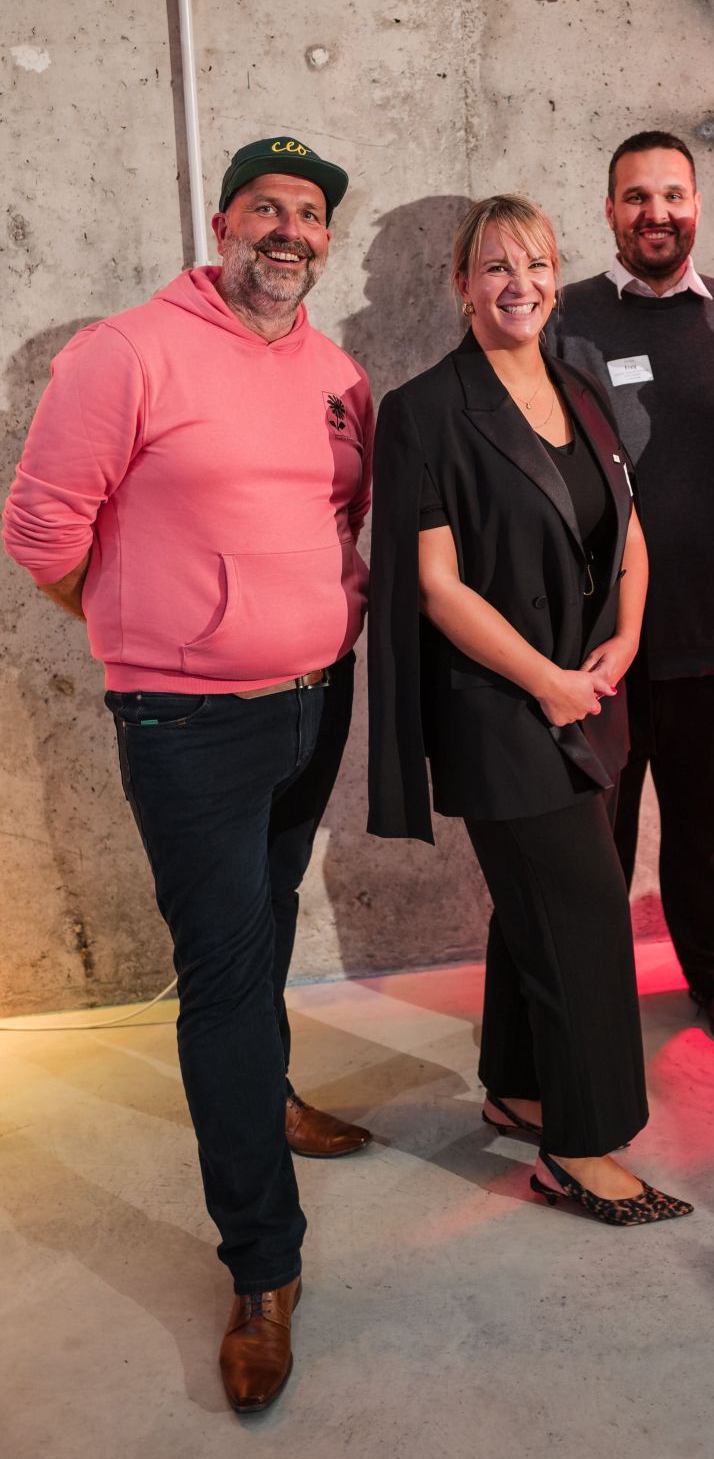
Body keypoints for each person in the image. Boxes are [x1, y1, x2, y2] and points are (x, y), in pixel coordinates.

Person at [3, 137, 375, 1412]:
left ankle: (269, 1099)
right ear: (223, 225)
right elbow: (39, 529)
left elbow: (342, 520)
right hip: (189, 725)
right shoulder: (125, 353)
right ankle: (264, 1269)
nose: (289, 230)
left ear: (325, 238)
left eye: (309, 213)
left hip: (313, 706)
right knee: (220, 977)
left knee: (265, 924)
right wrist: (148, 632)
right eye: (266, 206)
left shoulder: (338, 374)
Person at [367, 193, 692, 1227]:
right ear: (461, 285)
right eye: (498, 266)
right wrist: (548, 681)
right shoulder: (422, 410)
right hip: (501, 710)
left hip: (591, 697)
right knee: (584, 919)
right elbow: (435, 585)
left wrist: (626, 638)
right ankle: (579, 1148)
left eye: (538, 264)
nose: (522, 284)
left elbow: (627, 528)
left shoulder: (578, 384)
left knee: (534, 913)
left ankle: (517, 1088)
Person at [546, 132, 714, 1051]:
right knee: (591, 841)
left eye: (672, 195)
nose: (656, 213)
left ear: (695, 205)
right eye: (636, 196)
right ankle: (592, 994)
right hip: (596, 646)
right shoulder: (563, 319)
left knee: (710, 830)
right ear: (609, 209)